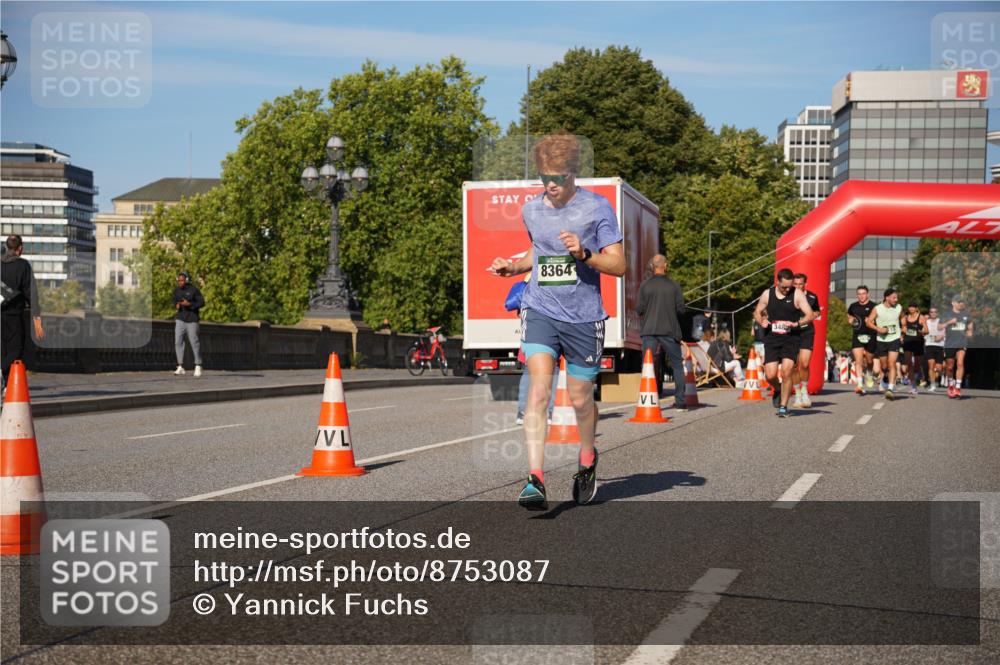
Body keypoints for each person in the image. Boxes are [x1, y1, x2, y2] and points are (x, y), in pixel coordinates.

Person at [490, 133, 625, 510]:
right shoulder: (532, 210)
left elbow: (619, 264)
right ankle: (535, 479)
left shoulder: (598, 209)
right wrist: (512, 266)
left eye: (557, 178)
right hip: (540, 308)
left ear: (573, 174)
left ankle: (587, 458)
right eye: (543, 177)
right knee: (538, 392)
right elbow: (539, 249)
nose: (549, 185)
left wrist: (585, 254)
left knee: (581, 400)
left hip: (584, 316)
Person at [753, 268, 816, 417]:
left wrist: (797, 324)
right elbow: (757, 311)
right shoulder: (767, 294)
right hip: (772, 337)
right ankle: (779, 389)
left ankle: (783, 407)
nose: (788, 289)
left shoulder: (797, 294)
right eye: (784, 287)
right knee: (770, 375)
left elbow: (810, 315)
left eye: (790, 286)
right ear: (777, 282)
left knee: (787, 371)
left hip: (791, 338)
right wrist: (761, 320)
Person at [635, 254, 687, 407]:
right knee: (677, 364)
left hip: (649, 330)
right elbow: (681, 310)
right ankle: (680, 402)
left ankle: (647, 401)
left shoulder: (645, 285)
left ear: (652, 266)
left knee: (648, 364)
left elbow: (639, 309)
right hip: (670, 330)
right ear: (665, 266)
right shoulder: (674, 285)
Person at [506, 276, 558, 425]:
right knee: (552, 372)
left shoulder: (527, 282)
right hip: (545, 333)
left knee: (529, 371)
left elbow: (518, 311)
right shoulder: (551, 284)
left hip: (530, 331)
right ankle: (549, 412)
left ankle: (523, 412)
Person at [1, 235, 44, 390]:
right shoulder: (23, 266)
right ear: (20, 248)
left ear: (6, 247)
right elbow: (31, 293)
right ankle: (3, 377)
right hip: (13, 315)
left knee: (3, 350)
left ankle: (6, 385)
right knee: (16, 349)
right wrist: (37, 319)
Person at [865, 288, 902, 400]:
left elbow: (903, 318)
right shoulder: (877, 309)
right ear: (887, 297)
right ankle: (885, 377)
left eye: (896, 297)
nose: (896, 299)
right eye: (894, 297)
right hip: (881, 340)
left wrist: (903, 329)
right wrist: (878, 329)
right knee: (884, 366)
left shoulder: (899, 308)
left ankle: (890, 388)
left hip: (894, 339)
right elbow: (868, 322)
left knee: (892, 363)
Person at [791, 273, 821, 408]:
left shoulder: (812, 297)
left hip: (807, 332)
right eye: (795, 284)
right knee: (793, 365)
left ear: (805, 284)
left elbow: (817, 312)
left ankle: (804, 392)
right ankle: (797, 394)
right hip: (791, 333)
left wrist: (811, 316)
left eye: (800, 284)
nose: (797, 286)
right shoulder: (787, 296)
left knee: (804, 364)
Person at [847, 285, 880, 395]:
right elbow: (849, 316)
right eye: (859, 294)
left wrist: (872, 322)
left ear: (868, 294)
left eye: (863, 293)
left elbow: (879, 320)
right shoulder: (853, 306)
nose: (861, 296)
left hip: (871, 335)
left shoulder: (874, 306)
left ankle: (869, 374)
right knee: (858, 361)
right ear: (857, 295)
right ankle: (860, 384)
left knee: (870, 361)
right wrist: (850, 320)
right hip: (858, 335)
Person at [173, 271, 205, 377]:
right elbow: (175, 302)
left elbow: (202, 303)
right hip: (180, 319)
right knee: (178, 342)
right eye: (179, 280)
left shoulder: (194, 290)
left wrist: (190, 304)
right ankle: (180, 366)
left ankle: (198, 365)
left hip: (192, 320)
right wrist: (177, 305)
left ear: (186, 280)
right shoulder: (176, 291)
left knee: (194, 343)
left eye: (182, 280)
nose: (180, 282)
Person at [942, 295, 973, 399]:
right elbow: (939, 326)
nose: (961, 303)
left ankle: (958, 387)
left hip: (962, 342)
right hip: (950, 343)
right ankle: (951, 384)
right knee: (950, 367)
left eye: (962, 302)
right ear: (953, 303)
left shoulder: (966, 314)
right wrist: (949, 322)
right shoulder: (947, 314)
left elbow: (969, 327)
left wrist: (969, 332)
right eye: (958, 302)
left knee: (960, 363)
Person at [900, 303, 927, 395]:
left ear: (916, 308)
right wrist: (902, 332)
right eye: (910, 307)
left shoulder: (921, 317)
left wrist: (921, 331)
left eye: (913, 307)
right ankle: (913, 385)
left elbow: (927, 331)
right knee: (908, 363)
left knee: (917, 366)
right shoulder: (905, 318)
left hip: (918, 343)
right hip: (907, 342)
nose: (911, 308)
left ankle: (915, 380)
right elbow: (902, 329)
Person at [924, 305, 945, 392]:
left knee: (939, 368)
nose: (933, 313)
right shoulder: (926, 322)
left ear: (937, 313)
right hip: (929, 345)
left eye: (935, 312)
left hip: (939, 346)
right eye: (931, 312)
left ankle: (941, 376)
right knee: (931, 365)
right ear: (929, 313)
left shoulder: (941, 322)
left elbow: (942, 335)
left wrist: (938, 337)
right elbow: (924, 332)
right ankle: (932, 384)